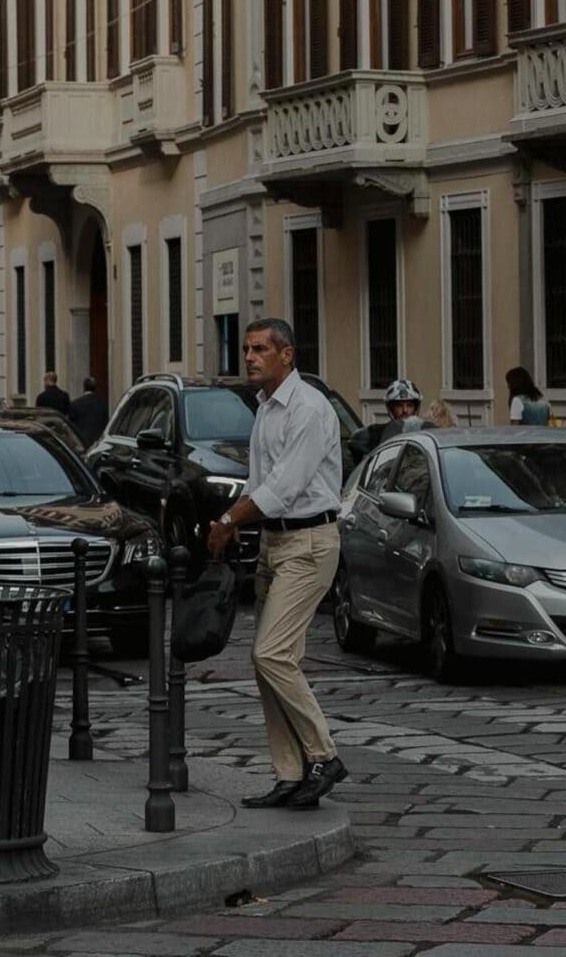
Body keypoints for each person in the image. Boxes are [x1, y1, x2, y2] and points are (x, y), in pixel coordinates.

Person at [206, 317, 346, 810]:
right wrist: (240, 524)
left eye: (260, 348)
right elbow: (258, 482)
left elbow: (284, 488)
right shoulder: (265, 408)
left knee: (271, 653)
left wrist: (226, 520)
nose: (249, 357)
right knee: (269, 661)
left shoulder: (308, 408)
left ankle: (324, 755)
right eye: (246, 349)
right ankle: (290, 772)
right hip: (274, 543)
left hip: (309, 543)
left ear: (287, 354)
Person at [378, 378, 433, 444]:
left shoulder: (427, 433)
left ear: (416, 408)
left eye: (409, 405)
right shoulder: (378, 434)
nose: (405, 410)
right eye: (399, 405)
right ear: (391, 408)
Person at [67, 377, 110, 448]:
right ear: (95, 388)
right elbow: (106, 421)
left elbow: (71, 424)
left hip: (81, 441)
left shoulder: (76, 403)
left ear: (84, 387)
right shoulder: (103, 403)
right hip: (98, 441)